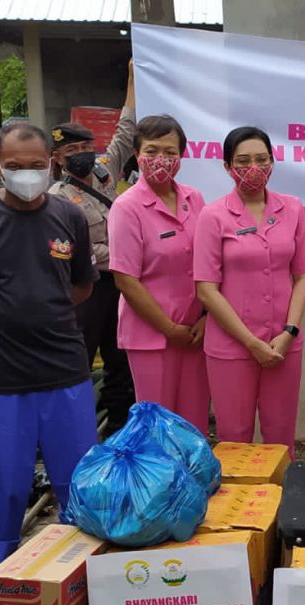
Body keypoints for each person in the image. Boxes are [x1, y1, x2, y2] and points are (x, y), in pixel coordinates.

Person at [0, 120, 98, 605]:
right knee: (1, 480)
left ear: (50, 164)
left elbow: (82, 285)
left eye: (35, 167)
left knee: (77, 480)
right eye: (14, 167)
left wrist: (42, 318)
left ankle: (79, 569)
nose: (26, 175)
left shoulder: (68, 218)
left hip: (65, 373)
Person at [194, 127, 305, 456]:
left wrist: (289, 331)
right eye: (243, 161)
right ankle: (238, 507)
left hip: (282, 344)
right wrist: (250, 342)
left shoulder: (292, 208)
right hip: (232, 347)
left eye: (262, 160)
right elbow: (206, 289)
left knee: (280, 435)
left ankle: (283, 501)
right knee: (235, 438)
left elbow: (303, 274)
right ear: (227, 167)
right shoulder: (213, 215)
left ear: (273, 163)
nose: (254, 168)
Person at [48, 60, 138, 435]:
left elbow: (126, 130)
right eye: (74, 150)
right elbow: (72, 254)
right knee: (79, 359)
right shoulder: (57, 198)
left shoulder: (103, 170)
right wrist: (123, 251)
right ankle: (75, 429)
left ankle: (120, 426)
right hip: (86, 288)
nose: (84, 153)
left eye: (87, 145)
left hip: (119, 286)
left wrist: (133, 77)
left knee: (121, 359)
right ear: (58, 158)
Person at [108, 114, 210, 435]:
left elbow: (209, 263)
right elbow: (125, 279)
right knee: (157, 424)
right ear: (137, 155)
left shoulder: (195, 199)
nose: (160, 160)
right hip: (151, 336)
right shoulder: (127, 207)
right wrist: (169, 329)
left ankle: (193, 481)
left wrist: (206, 317)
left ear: (182, 155)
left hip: (195, 332)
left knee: (193, 420)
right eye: (151, 151)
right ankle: (162, 485)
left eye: (170, 151)